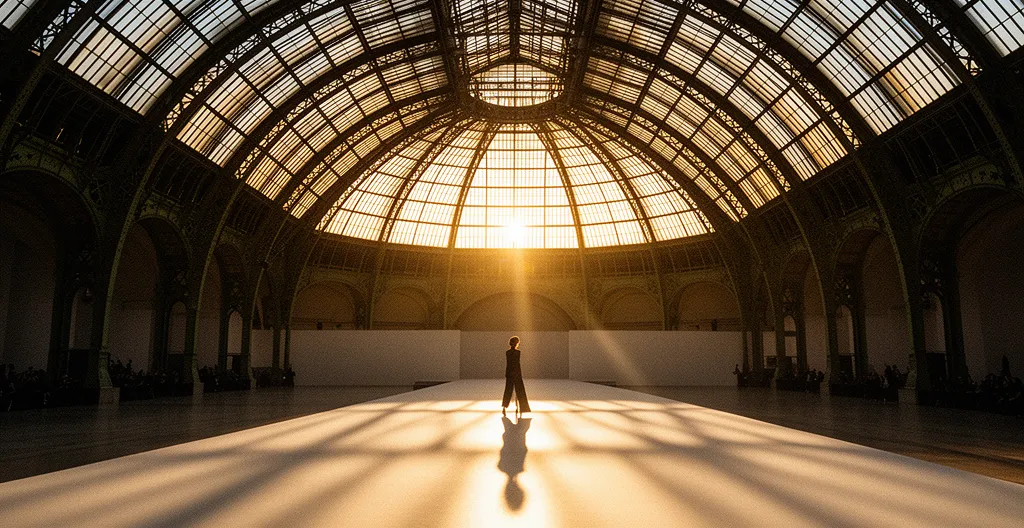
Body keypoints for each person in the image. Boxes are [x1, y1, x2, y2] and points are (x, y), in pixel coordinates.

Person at [502, 336, 531, 416]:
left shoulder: (507, 352)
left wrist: (507, 373)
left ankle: (504, 407)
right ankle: (523, 408)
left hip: (509, 373)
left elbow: (509, 364)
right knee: (520, 391)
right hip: (517, 373)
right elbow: (517, 364)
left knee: (508, 390)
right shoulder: (518, 353)